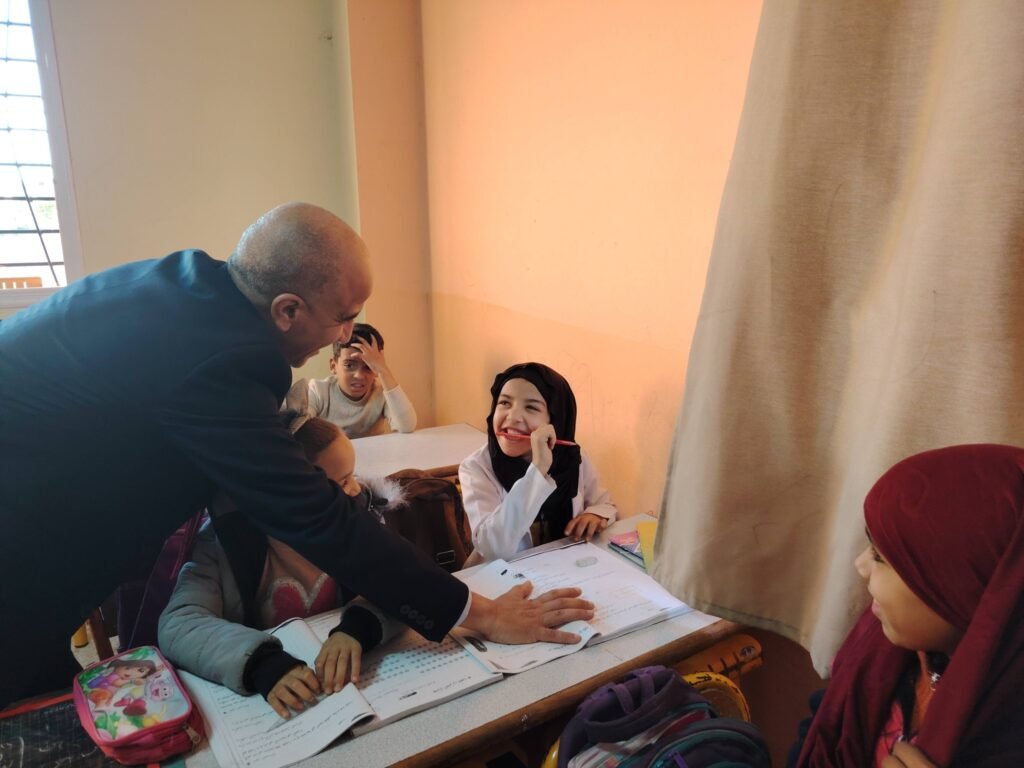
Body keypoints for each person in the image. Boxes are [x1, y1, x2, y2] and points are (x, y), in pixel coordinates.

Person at [0, 203, 593, 708]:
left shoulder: (199, 296)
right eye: (344, 317)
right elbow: (313, 514)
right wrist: (483, 615)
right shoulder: (220, 360)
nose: (347, 335)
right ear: (287, 310)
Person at [794, 444, 1024, 768]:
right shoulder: (881, 653)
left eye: (880, 556)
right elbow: (822, 726)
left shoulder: (1009, 735)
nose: (860, 566)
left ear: (957, 587)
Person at [159, 416, 401, 719]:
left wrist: (358, 628)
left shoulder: (353, 518)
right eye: (341, 482)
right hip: (274, 699)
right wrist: (260, 662)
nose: (354, 490)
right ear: (289, 490)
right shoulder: (223, 544)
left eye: (353, 476)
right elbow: (179, 624)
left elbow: (401, 581)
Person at [459, 362, 617, 562]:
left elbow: (603, 503)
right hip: (501, 576)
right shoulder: (477, 467)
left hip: (563, 569)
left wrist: (595, 515)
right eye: (504, 402)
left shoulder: (572, 458)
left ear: (556, 421)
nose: (513, 417)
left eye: (531, 407)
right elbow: (493, 549)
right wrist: (538, 470)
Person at [304, 323, 417, 438]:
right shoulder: (319, 391)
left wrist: (383, 371)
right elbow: (299, 428)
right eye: (349, 365)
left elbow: (407, 426)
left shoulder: (382, 394)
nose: (359, 375)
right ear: (333, 366)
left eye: (368, 366)